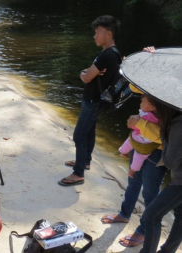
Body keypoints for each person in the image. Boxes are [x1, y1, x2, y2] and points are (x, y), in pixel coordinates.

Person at [100, 87, 168, 247]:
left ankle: (144, 230)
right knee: (133, 181)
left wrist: (139, 122)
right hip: (140, 146)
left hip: (158, 153)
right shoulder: (154, 96)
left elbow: (164, 136)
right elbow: (134, 87)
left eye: (143, 99)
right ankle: (124, 214)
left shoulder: (171, 106)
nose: (140, 100)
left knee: (150, 193)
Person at [59, 15, 121, 186]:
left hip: (93, 101)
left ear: (108, 34)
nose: (94, 36)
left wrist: (83, 72)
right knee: (89, 132)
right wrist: (87, 72)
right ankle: (85, 161)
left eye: (98, 32)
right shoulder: (112, 54)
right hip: (95, 100)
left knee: (79, 135)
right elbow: (90, 74)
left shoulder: (106, 56)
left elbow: (86, 78)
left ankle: (78, 173)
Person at [137, 103, 182, 252]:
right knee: (180, 216)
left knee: (151, 216)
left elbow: (170, 162)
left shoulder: (178, 124)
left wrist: (163, 135)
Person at [119, 94, 160, 174]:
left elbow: (136, 125)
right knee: (139, 157)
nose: (140, 104)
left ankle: (123, 152)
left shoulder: (148, 116)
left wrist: (133, 124)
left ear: (152, 107)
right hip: (145, 142)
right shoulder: (158, 117)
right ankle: (133, 170)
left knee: (130, 144)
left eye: (142, 102)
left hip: (142, 140)